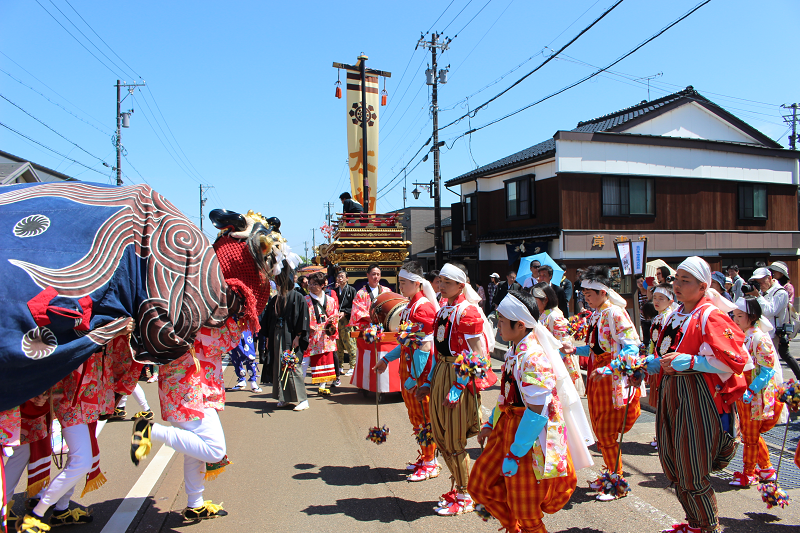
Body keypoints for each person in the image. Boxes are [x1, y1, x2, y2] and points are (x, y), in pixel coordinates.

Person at [469, 290, 585, 533]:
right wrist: (491, 423)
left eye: (501, 322)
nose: (498, 327)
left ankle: (519, 527)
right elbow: (507, 395)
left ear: (520, 325)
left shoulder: (533, 357)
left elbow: (536, 412)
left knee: (527, 510)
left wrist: (516, 451)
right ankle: (514, 528)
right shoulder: (515, 351)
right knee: (480, 485)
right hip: (509, 427)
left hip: (529, 439)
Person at [654, 257, 748, 533]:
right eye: (676, 279)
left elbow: (733, 360)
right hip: (672, 391)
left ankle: (707, 526)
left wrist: (692, 362)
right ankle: (695, 523)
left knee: (692, 466)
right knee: (674, 461)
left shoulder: (710, 315)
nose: (678, 285)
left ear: (703, 286)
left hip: (696, 397)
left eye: (686, 281)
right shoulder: (677, 313)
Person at [131, 316, 241, 521]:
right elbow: (228, 340)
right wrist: (235, 317)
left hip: (182, 388)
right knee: (214, 449)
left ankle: (195, 504)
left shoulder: (174, 312)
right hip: (192, 390)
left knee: (194, 451)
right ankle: (150, 430)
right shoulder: (201, 317)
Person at [416, 262, 496, 516]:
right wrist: (428, 381)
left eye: (447, 282)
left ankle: (465, 495)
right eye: (440, 281)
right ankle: (460, 487)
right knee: (440, 435)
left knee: (454, 438)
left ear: (461, 285)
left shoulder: (468, 312)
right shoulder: (443, 310)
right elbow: (439, 353)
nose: (441, 286)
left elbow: (479, 356)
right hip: (442, 372)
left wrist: (459, 386)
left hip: (458, 377)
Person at [575, 265, 643, 500]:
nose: (586, 298)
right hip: (598, 375)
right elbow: (595, 347)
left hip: (611, 378)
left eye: (590, 294)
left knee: (606, 432)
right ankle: (610, 475)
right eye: (584, 294)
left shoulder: (615, 313)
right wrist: (572, 349)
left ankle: (616, 483)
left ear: (603, 292)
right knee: (600, 431)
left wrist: (610, 367)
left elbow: (633, 345)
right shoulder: (597, 314)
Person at [374, 261, 440, 482]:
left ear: (416, 282)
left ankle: (430, 462)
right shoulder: (411, 305)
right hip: (410, 368)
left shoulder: (423, 308)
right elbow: (406, 342)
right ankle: (427, 456)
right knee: (417, 418)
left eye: (403, 282)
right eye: (400, 282)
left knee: (424, 418)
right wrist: (386, 359)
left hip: (419, 374)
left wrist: (415, 377)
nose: (400, 287)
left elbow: (425, 346)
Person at [729, 297, 784, 487]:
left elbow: (767, 370)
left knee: (750, 437)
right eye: (734, 315)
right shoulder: (745, 334)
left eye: (739, 316)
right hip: (744, 391)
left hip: (754, 394)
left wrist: (751, 390)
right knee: (748, 434)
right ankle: (767, 469)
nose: (735, 319)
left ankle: (749, 472)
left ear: (752, 317)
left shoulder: (759, 337)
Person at [748, 267, 800, 379]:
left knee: (770, 364)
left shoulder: (781, 292)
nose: (760, 284)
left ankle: (775, 388)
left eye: (762, 281)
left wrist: (758, 296)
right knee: (762, 363)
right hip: (761, 332)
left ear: (770, 278)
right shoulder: (762, 292)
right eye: (757, 282)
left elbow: (770, 311)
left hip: (774, 334)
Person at [643, 282, 678, 448]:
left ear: (671, 300)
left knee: (664, 401)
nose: (656, 301)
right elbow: (653, 342)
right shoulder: (658, 317)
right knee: (659, 401)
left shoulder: (670, 317)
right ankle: (661, 435)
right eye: (655, 297)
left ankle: (666, 437)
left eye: (661, 298)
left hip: (663, 362)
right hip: (656, 360)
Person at [533, 282, 583, 395]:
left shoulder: (554, 316)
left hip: (556, 363)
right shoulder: (541, 316)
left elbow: (564, 342)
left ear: (545, 300)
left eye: (535, 300)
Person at [266, 283, 311, 411]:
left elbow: (302, 318)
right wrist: (269, 337)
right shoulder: (276, 298)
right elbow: (269, 319)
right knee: (279, 366)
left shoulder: (298, 297)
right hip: (277, 334)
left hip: (291, 336)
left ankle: (303, 399)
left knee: (292, 364)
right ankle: (284, 397)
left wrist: (298, 336)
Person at [304, 271, 340, 395]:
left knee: (326, 360)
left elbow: (335, 315)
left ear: (322, 285)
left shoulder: (330, 300)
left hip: (325, 334)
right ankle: (298, 385)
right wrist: (307, 326)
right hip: (311, 335)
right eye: (310, 283)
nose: (311, 286)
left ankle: (323, 385)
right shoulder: (305, 300)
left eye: (314, 284)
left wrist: (332, 322)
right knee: (305, 361)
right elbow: (300, 317)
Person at [334, 270, 358, 377]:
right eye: (338, 276)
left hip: (347, 320)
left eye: (342, 276)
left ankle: (353, 366)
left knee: (350, 343)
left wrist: (346, 312)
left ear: (347, 278)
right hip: (336, 320)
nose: (340, 278)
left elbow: (355, 305)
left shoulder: (352, 290)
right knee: (338, 344)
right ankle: (340, 365)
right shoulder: (334, 291)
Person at [635, 274, 652, 346]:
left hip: (652, 317)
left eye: (642, 281)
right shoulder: (637, 294)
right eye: (638, 282)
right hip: (643, 318)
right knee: (646, 336)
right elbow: (637, 307)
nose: (640, 283)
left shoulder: (650, 291)